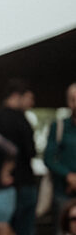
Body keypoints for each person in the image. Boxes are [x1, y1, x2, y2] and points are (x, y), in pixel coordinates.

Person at [0, 80, 38, 235]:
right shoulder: (19, 120)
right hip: (21, 183)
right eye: (29, 98)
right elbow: (28, 151)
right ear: (16, 96)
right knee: (23, 231)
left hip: (4, 185)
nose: (31, 103)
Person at [44, 82, 76, 226]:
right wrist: (69, 176)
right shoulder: (59, 127)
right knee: (63, 231)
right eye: (73, 99)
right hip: (64, 192)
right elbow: (49, 158)